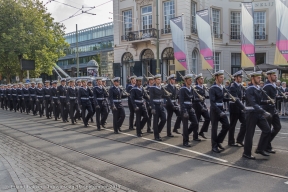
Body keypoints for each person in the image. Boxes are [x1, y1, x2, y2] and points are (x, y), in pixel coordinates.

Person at [243, 71, 272, 159]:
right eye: (258, 78)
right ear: (252, 78)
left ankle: (260, 148)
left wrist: (266, 101)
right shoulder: (249, 89)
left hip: (258, 113)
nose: (260, 79)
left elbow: (258, 102)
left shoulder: (258, 88)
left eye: (260, 78)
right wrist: (264, 112)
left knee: (267, 130)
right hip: (251, 113)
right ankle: (246, 153)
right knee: (250, 134)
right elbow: (253, 103)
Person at [209, 70, 231, 153]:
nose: (222, 78)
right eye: (221, 77)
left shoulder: (222, 87)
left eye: (223, 77)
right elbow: (212, 103)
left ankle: (218, 141)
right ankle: (214, 146)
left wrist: (230, 99)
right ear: (216, 78)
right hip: (215, 110)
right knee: (214, 128)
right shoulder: (212, 88)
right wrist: (219, 111)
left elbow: (222, 99)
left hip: (221, 109)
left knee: (227, 125)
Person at [262, 69, 282, 154]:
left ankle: (266, 144)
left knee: (277, 127)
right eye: (274, 75)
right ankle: (267, 147)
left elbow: (274, 98)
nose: (276, 76)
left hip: (273, 109)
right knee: (268, 129)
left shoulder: (273, 85)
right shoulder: (266, 86)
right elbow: (263, 100)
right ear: (269, 76)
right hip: (268, 110)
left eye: (276, 75)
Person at [179, 74, 199, 147]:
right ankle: (185, 141)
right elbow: (181, 101)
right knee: (185, 125)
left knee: (195, 123)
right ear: (186, 80)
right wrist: (184, 111)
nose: (191, 81)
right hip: (185, 107)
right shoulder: (182, 89)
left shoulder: (191, 88)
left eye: (191, 79)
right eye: (189, 80)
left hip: (190, 107)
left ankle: (186, 134)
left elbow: (193, 99)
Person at [149, 74, 171, 141]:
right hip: (155, 105)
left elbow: (163, 96)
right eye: (158, 79)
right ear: (155, 80)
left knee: (164, 119)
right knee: (156, 121)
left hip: (161, 105)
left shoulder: (162, 87)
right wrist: (152, 107)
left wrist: (168, 95)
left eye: (160, 79)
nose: (160, 80)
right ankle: (156, 136)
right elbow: (151, 98)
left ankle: (157, 131)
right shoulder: (152, 88)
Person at [228, 70, 246, 147]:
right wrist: (243, 107)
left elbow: (242, 97)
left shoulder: (240, 86)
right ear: (235, 78)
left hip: (240, 108)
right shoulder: (233, 87)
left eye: (241, 77)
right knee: (233, 125)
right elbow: (236, 99)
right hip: (234, 107)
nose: (241, 78)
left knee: (245, 123)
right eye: (239, 77)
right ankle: (231, 141)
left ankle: (239, 140)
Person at [193, 73, 210, 139]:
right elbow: (195, 98)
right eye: (201, 79)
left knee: (208, 118)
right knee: (196, 121)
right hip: (197, 106)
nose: (202, 79)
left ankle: (202, 131)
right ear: (197, 80)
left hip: (203, 105)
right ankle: (195, 136)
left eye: (202, 78)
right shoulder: (195, 88)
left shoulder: (203, 87)